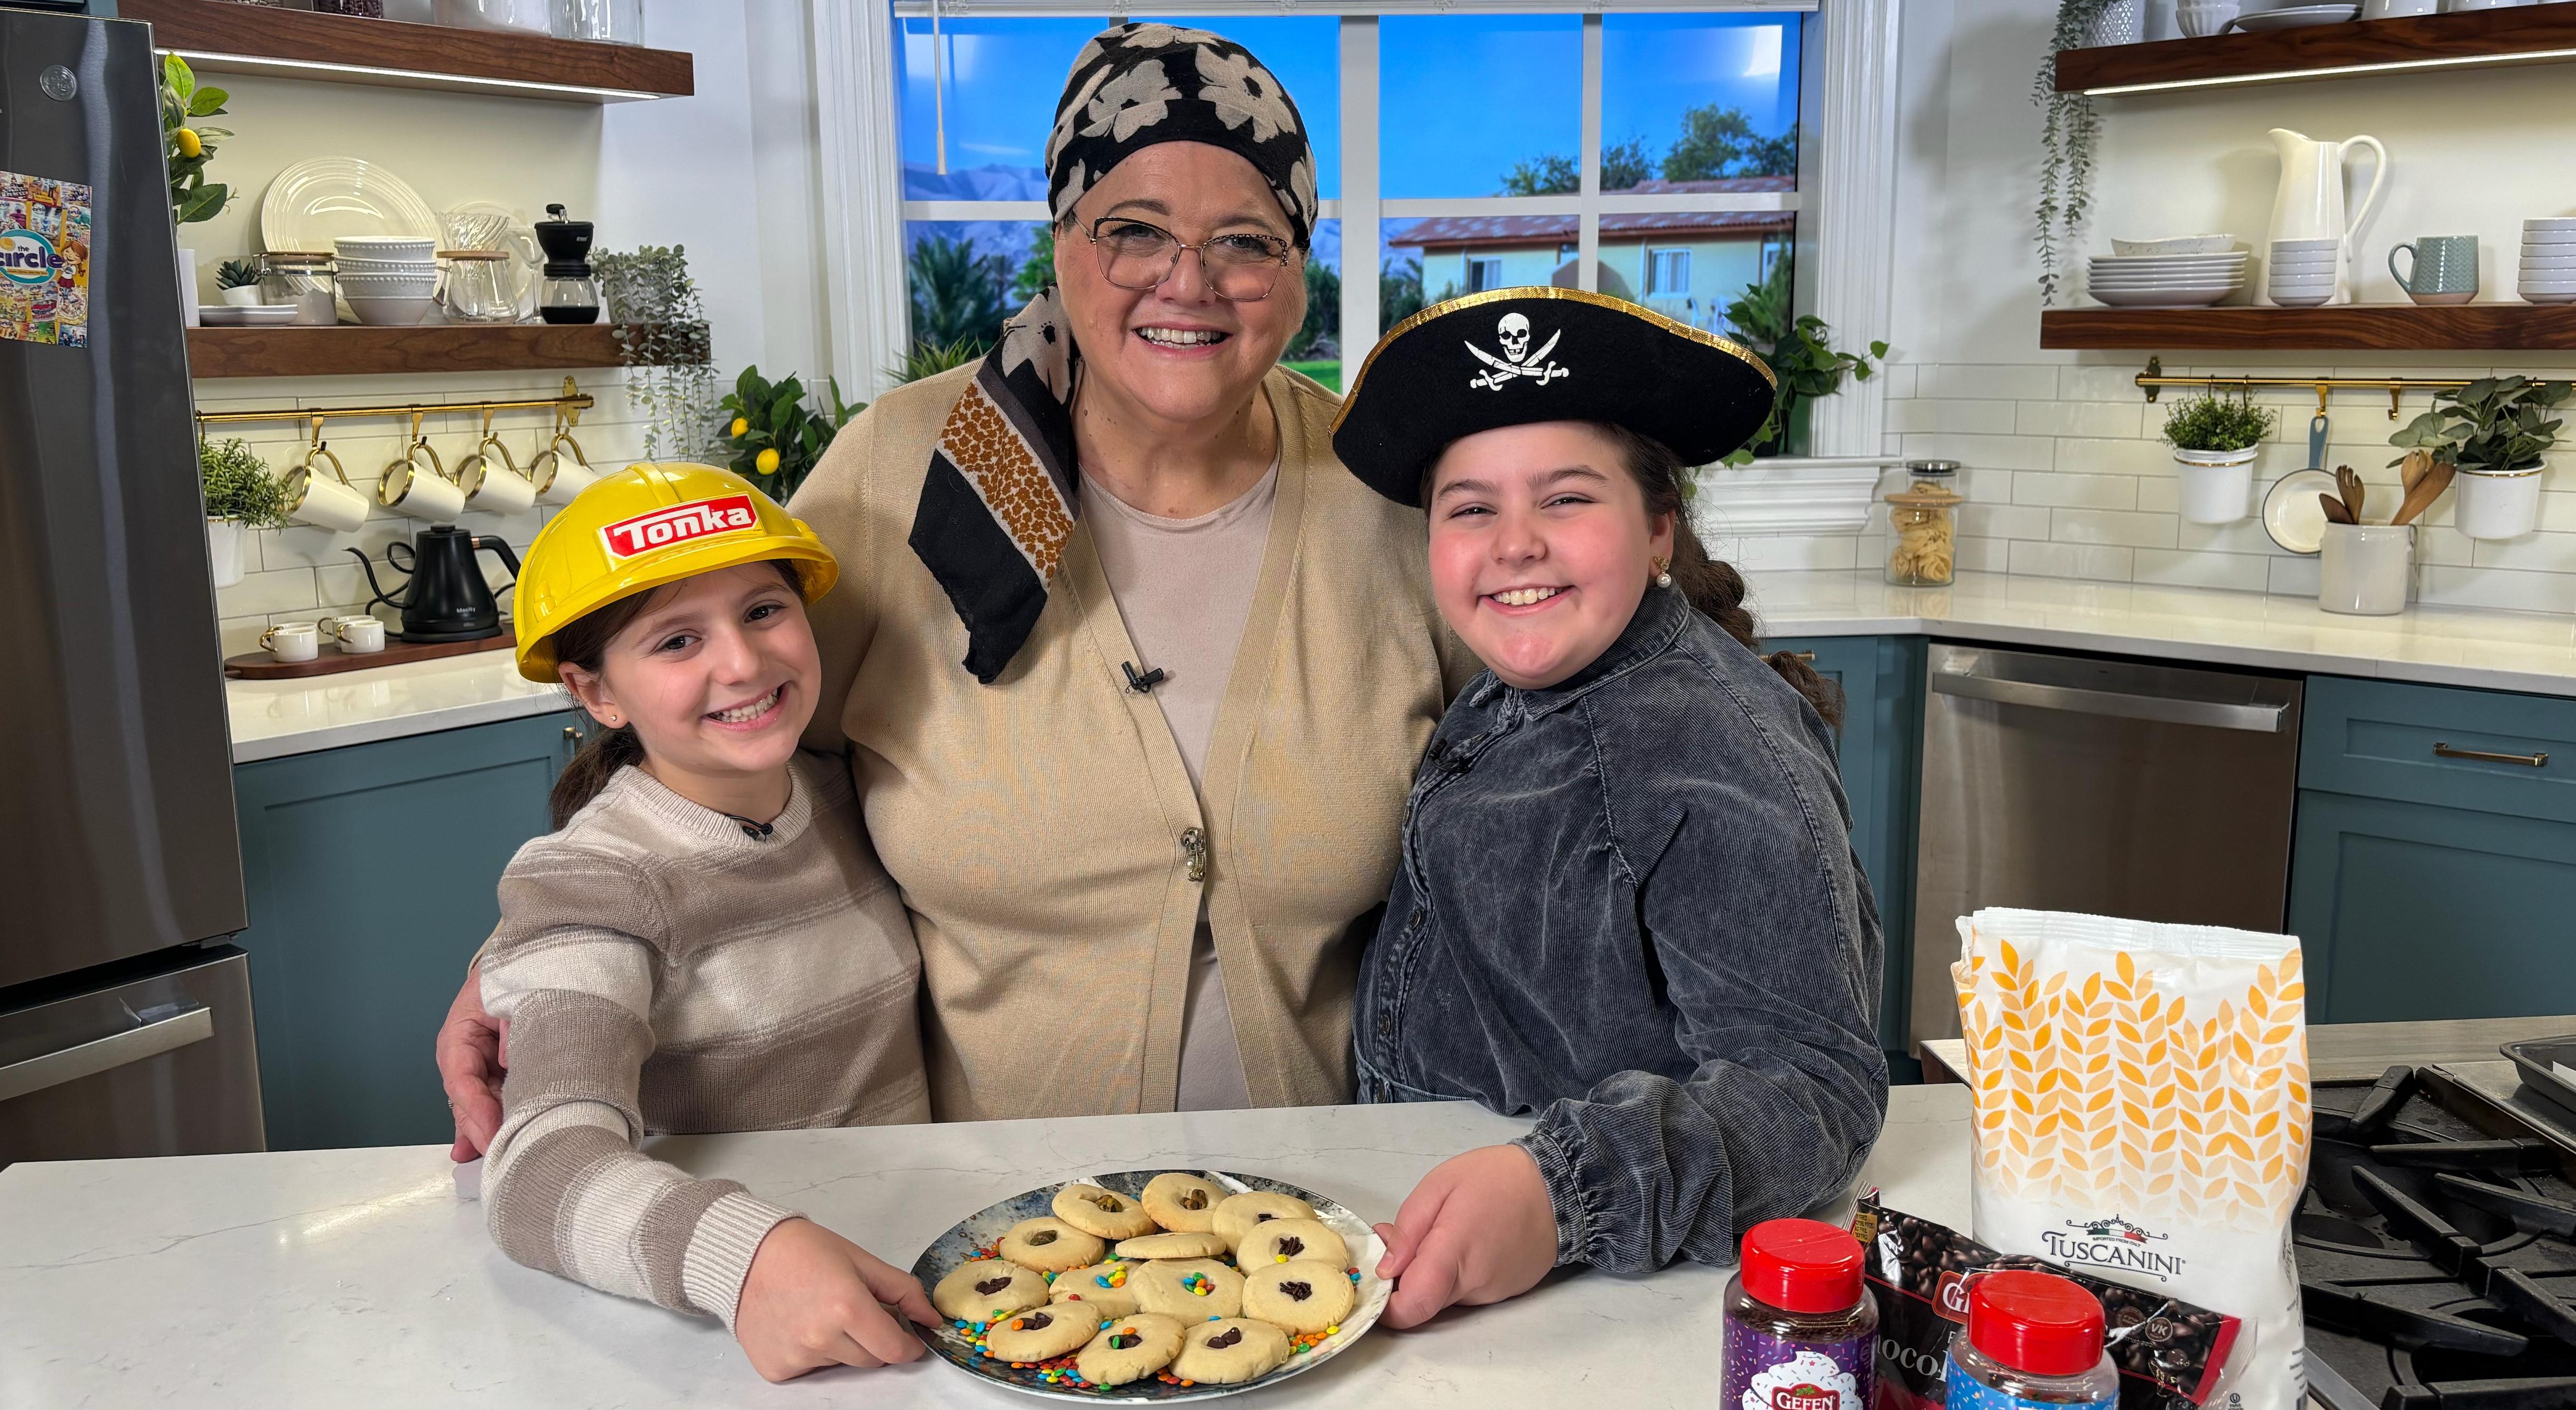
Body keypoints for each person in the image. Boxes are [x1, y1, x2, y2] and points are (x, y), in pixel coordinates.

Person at [437, 22, 1471, 1148]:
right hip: (985, 1226)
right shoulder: (907, 469)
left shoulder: (1390, 491)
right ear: (1064, 238)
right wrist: (538, 957)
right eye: (1133, 230)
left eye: (1246, 241)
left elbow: (1547, 765)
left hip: (1338, 1216)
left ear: (1298, 264)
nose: (1189, 282)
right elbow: (724, 754)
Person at [1326, 288, 1890, 1329]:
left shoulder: (1701, 746)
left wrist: (1560, 1191)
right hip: (1438, 1223)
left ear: (1658, 529)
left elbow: (1815, 1093)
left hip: (1607, 1301)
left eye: (1566, 499)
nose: (1515, 545)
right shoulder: (1526, 682)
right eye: (1471, 508)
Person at [477, 462, 939, 1383]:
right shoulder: (592, 876)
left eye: (764, 610)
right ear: (595, 694)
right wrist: (745, 1257)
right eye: (677, 641)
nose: (742, 662)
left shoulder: (847, 791)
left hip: (911, 1253)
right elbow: (535, 1174)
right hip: (735, 1328)